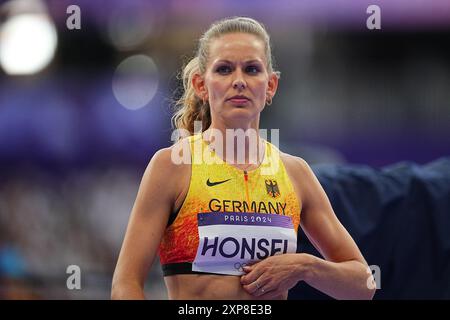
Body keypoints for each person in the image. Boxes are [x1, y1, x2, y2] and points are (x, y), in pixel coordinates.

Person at [111, 16, 376, 300]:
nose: (239, 81)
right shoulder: (173, 166)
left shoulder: (295, 172)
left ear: (270, 85)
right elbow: (125, 284)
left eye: (251, 69)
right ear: (201, 84)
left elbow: (363, 285)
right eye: (224, 69)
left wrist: (304, 266)